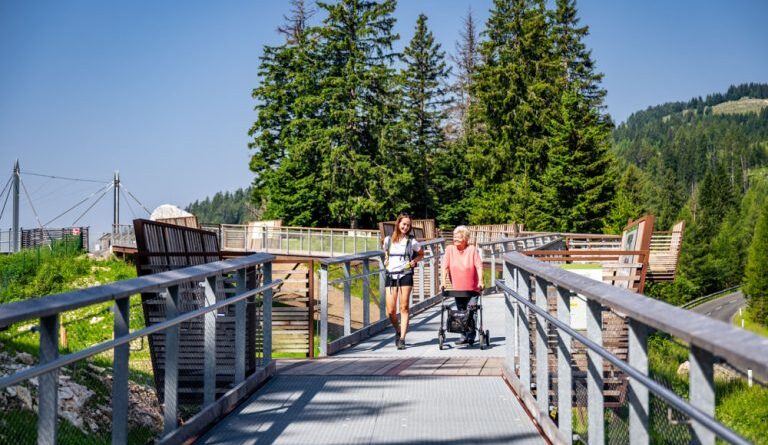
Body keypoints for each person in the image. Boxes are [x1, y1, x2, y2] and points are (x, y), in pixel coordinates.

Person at [383, 213, 424, 350]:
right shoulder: (388, 240)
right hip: (391, 276)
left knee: (404, 307)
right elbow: (386, 252)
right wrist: (386, 259)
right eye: (403, 224)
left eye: (408, 225)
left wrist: (414, 261)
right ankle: (398, 330)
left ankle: (402, 339)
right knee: (390, 311)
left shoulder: (412, 241)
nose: (405, 227)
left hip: (405, 275)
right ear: (398, 224)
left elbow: (421, 253)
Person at [441, 225, 483, 345]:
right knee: (461, 311)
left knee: (471, 310)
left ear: (465, 239)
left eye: (458, 238)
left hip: (472, 289)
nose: (455, 239)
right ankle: (463, 335)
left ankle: (471, 335)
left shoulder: (472, 250)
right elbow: (445, 267)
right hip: (458, 288)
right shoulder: (450, 249)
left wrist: (481, 281)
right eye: (454, 237)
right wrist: (443, 282)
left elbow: (479, 266)